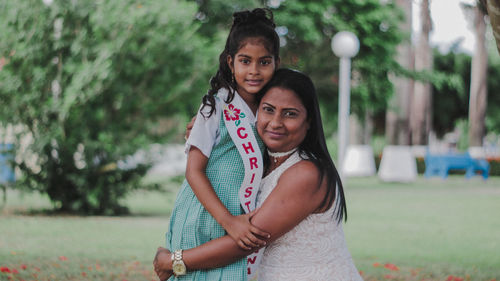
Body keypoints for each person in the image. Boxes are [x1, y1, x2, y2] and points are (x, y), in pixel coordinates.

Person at [155, 69, 363, 281]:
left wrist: (172, 262)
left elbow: (244, 242)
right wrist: (204, 128)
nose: (275, 122)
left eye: (290, 113)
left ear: (309, 121)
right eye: (268, 109)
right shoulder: (259, 163)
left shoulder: (306, 173)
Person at [164, 8, 281, 281]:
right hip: (205, 214)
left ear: (276, 63)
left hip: (243, 215)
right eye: (245, 61)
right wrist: (228, 221)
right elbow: (193, 171)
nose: (254, 70)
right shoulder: (215, 107)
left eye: (264, 62)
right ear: (230, 62)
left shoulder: (270, 110)